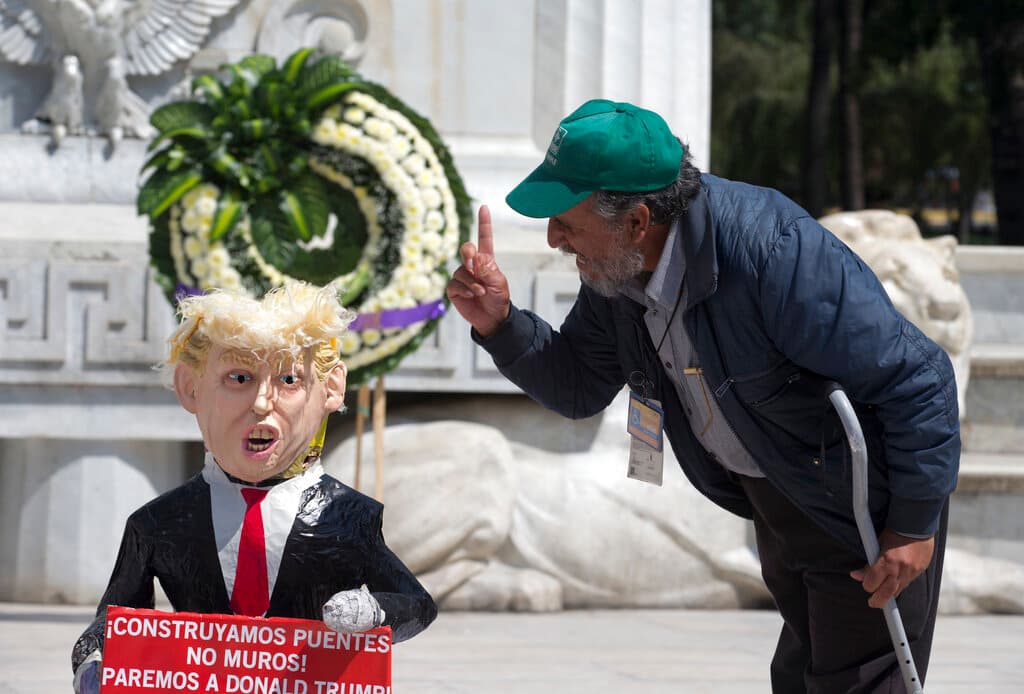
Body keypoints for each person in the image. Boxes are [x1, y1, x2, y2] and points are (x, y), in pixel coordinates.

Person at [446, 99, 959, 693]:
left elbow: (919, 378)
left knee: (859, 684)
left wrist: (913, 528)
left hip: (862, 509)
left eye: (566, 218)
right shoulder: (619, 269)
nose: (555, 237)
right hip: (784, 498)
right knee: (801, 679)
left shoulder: (775, 251)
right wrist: (500, 323)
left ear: (636, 220)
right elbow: (580, 385)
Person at [71, 282, 436, 693]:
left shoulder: (347, 517)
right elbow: (114, 619)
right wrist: (95, 663)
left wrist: (373, 610)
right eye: (239, 378)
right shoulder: (158, 523)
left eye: (288, 380)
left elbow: (418, 604)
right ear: (190, 387)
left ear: (330, 390)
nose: (262, 402)